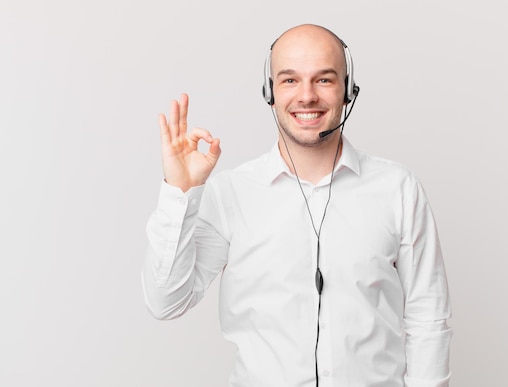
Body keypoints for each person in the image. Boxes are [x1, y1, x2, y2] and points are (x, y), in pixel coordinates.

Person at [142, 24, 452, 387]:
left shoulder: (398, 189)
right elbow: (166, 302)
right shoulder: (231, 194)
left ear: (348, 89)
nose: (307, 96)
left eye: (324, 80)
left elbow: (428, 319)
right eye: (289, 80)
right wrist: (180, 192)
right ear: (269, 90)